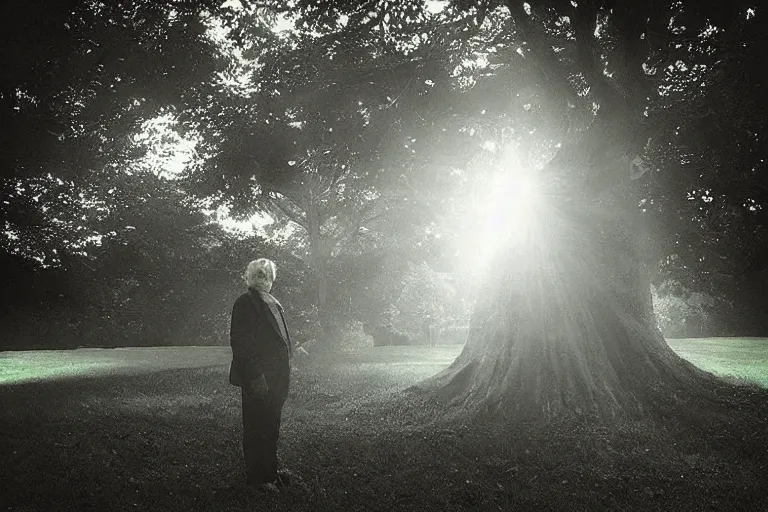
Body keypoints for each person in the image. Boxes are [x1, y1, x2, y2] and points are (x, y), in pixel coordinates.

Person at [229, 258, 293, 493]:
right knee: (257, 427)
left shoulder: (273, 302)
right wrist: (256, 377)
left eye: (266, 272)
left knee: (271, 426)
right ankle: (258, 479)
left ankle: (270, 471)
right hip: (260, 377)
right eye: (257, 272)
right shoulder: (245, 302)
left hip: (278, 376)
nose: (262, 275)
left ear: (273, 278)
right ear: (248, 276)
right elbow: (241, 343)